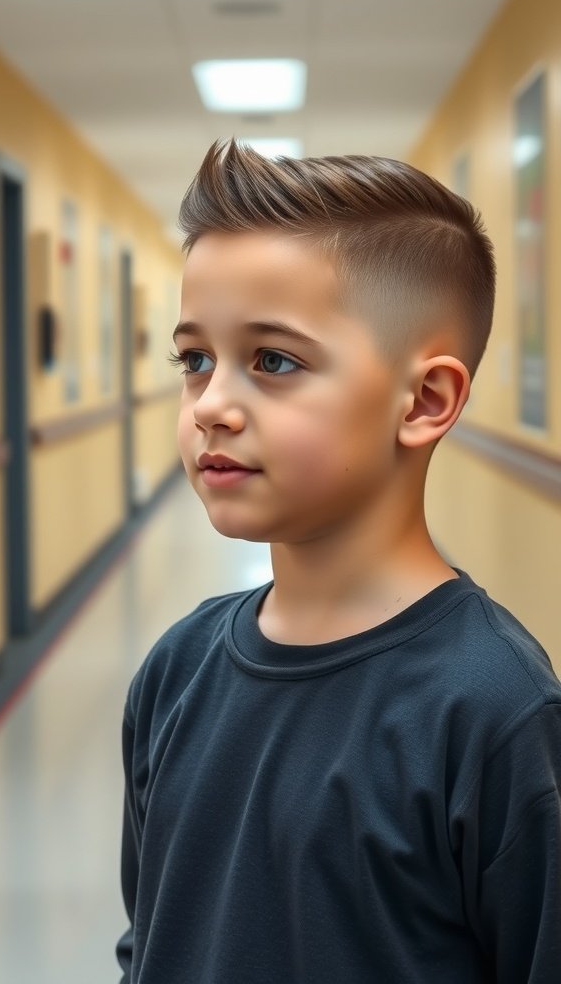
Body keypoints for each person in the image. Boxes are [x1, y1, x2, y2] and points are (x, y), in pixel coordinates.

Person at [116, 140, 561, 983]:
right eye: (195, 360)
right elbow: (154, 936)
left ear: (425, 402)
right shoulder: (175, 670)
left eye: (273, 361)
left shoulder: (494, 712)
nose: (211, 406)